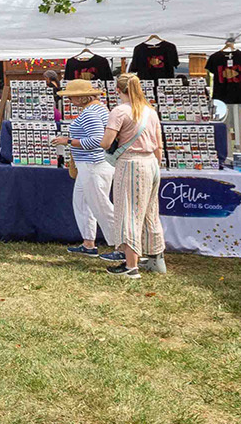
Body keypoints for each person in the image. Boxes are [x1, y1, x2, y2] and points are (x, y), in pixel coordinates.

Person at [100, 73, 166, 279]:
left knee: (128, 213)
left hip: (130, 163)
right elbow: (158, 144)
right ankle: (156, 258)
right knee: (150, 213)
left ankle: (131, 266)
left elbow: (105, 142)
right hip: (151, 163)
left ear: (117, 90)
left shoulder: (120, 111)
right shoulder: (150, 112)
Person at [51, 80, 118, 258]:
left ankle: (123, 247)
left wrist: (69, 141)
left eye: (72, 97)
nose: (70, 100)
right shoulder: (99, 109)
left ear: (81, 97)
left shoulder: (90, 114)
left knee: (101, 206)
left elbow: (98, 141)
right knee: (82, 203)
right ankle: (89, 243)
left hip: (93, 164)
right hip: (91, 164)